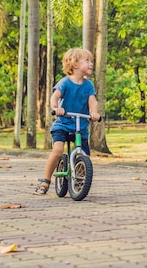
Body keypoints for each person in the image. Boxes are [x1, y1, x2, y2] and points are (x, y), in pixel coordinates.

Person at [34, 48, 101, 195]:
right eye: (87, 61)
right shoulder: (65, 82)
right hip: (63, 124)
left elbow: (92, 101)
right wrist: (56, 108)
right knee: (58, 150)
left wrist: (94, 113)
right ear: (75, 64)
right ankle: (45, 180)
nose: (91, 64)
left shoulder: (88, 85)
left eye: (91, 61)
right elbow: (55, 96)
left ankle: (79, 180)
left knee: (85, 157)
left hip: (80, 126)